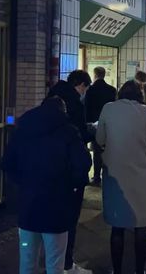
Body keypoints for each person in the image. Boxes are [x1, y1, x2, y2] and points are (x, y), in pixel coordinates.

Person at [1, 97, 92, 274]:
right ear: (62, 111)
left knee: (27, 259)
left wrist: (22, 183)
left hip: (28, 206)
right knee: (55, 261)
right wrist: (71, 184)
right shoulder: (68, 131)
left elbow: (8, 163)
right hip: (57, 206)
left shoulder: (23, 129)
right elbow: (82, 163)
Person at [96, 81, 146, 274]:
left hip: (115, 172)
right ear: (140, 94)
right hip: (142, 174)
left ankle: (117, 270)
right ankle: (139, 270)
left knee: (118, 226)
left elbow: (100, 139)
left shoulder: (108, 108)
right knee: (141, 225)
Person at [47, 69, 92, 273]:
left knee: (48, 220)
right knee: (69, 219)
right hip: (69, 171)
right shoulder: (74, 103)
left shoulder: (49, 98)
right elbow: (80, 136)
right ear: (80, 84)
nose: (84, 92)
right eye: (85, 88)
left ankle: (53, 264)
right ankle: (66, 264)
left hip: (47, 171)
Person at [85, 67, 117, 185]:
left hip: (93, 123)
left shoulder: (90, 90)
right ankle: (107, 175)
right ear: (104, 75)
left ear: (95, 75)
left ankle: (96, 176)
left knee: (96, 150)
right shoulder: (111, 90)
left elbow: (86, 106)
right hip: (108, 123)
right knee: (106, 149)